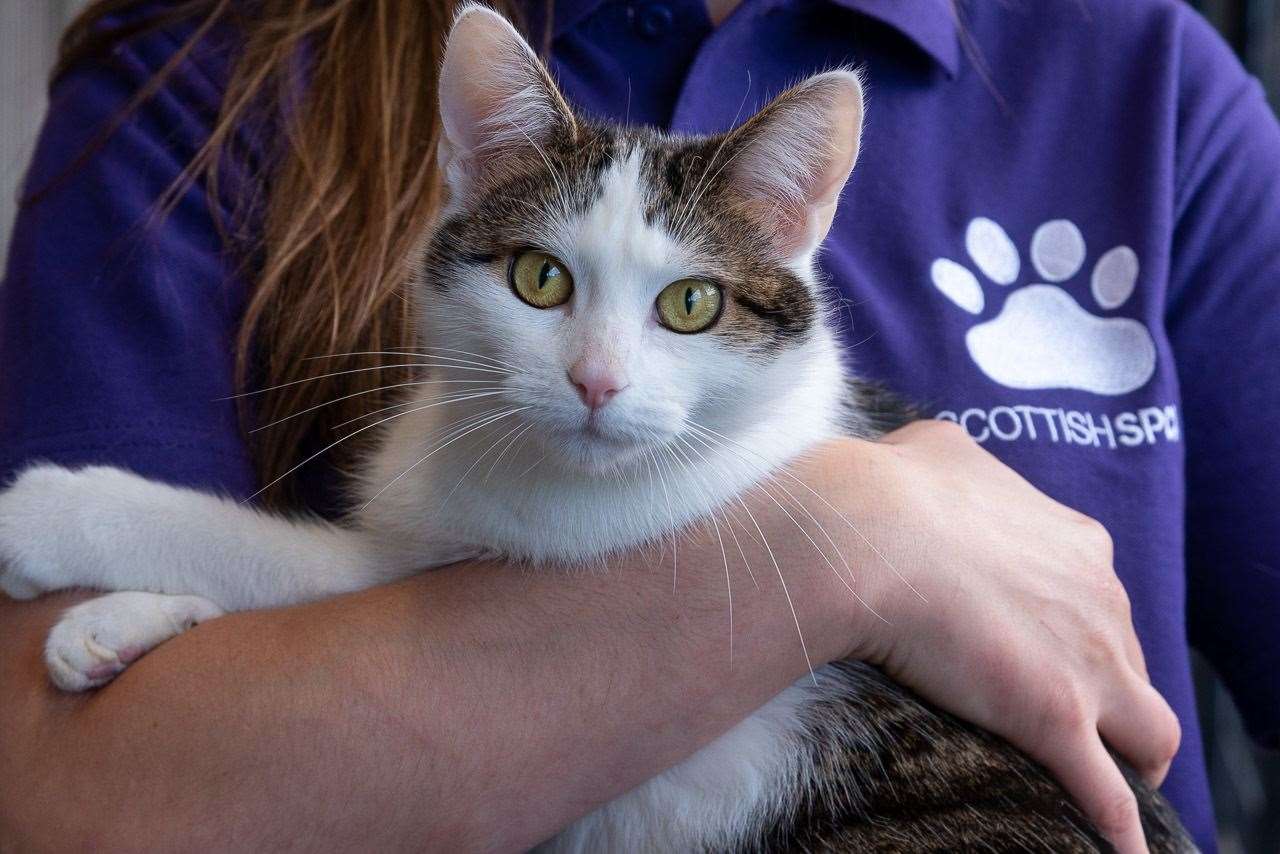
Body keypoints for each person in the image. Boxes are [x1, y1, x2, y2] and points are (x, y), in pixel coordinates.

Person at [0, 0, 1275, 851]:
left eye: (683, 305)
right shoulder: (207, 61)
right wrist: (855, 540)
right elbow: (53, 782)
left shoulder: (1141, 69)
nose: (600, 374)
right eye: (543, 280)